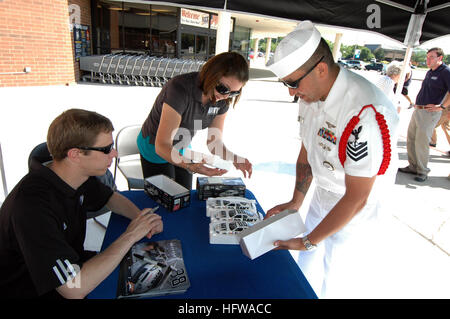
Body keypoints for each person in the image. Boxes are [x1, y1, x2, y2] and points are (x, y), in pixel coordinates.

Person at [265, 21, 399, 298]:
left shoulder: (364, 112)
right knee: (305, 264)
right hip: (324, 192)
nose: (291, 92)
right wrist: (296, 201)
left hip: (357, 205)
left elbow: (358, 196)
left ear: (321, 69)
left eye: (293, 83)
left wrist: (310, 241)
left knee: (335, 275)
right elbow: (307, 149)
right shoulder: (309, 93)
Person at [0, 109, 163, 299]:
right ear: (76, 154)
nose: (115, 153)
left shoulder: (75, 176)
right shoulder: (32, 208)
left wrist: (141, 219)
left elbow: (110, 197)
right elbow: (73, 288)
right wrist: (132, 234)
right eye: (106, 149)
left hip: (73, 263)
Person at [137, 52, 253, 190]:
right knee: (166, 199)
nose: (226, 96)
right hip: (155, 146)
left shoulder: (223, 100)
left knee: (184, 194)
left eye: (234, 92)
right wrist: (190, 166)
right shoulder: (180, 89)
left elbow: (214, 142)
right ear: (211, 75)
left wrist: (235, 159)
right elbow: (162, 145)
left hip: (182, 144)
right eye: (223, 89)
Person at [398, 47, 450, 182]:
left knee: (422, 141)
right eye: (427, 57)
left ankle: (422, 170)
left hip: (429, 113)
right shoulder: (429, 72)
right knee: (411, 138)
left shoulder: (445, 72)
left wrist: (442, 106)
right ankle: (413, 166)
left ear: (440, 58)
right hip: (419, 109)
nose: (428, 60)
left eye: (431, 57)